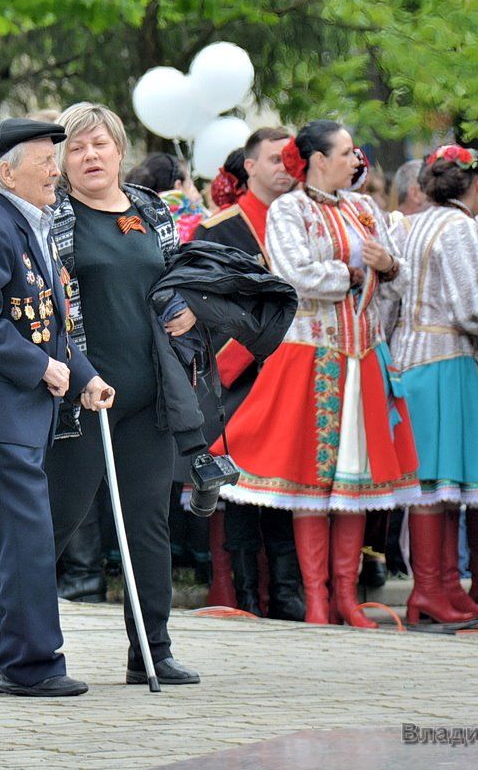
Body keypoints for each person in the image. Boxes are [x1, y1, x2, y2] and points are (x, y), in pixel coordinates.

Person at [0, 118, 114, 697]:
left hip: (22, 411)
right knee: (29, 539)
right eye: (44, 162)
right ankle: (33, 664)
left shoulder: (27, 221)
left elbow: (46, 319)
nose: (55, 171)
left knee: (3, 540)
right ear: (8, 172)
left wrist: (82, 375)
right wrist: (41, 369)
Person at [212, 120, 420, 629]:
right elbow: (294, 275)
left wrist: (387, 265)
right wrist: (352, 273)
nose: (357, 160)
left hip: (362, 355)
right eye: (347, 152)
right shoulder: (290, 210)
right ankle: (317, 601)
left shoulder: (366, 209)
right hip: (310, 355)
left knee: (354, 478)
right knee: (310, 476)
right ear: (318, 160)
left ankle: (346, 597)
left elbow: (401, 278)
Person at [45, 102, 203, 685]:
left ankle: (151, 650)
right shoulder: (53, 216)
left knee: (148, 522)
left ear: (119, 151)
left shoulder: (149, 207)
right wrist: (75, 373)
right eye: (77, 147)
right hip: (83, 395)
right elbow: (48, 307)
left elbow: (171, 281)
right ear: (62, 159)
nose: (90, 156)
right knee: (58, 522)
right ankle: (5, 642)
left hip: (150, 396)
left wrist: (183, 310)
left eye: (100, 145)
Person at [389, 145, 478, 624]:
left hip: (411, 356)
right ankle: (430, 589)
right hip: (445, 357)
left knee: (436, 478)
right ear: (477, 183)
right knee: (436, 480)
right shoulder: (459, 227)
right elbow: (468, 309)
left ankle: (438, 585)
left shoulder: (416, 221)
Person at [195, 127, 304, 620]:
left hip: (296, 367)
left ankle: (288, 592)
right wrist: (242, 351)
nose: (285, 168)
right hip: (240, 369)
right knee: (242, 485)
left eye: (291, 160)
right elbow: (207, 302)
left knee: (287, 479)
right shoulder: (222, 227)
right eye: (275, 159)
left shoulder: (306, 217)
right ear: (249, 166)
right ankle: (244, 595)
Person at [127, 151, 207, 242]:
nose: (195, 190)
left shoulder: (133, 218)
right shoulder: (196, 218)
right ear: (178, 185)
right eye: (190, 184)